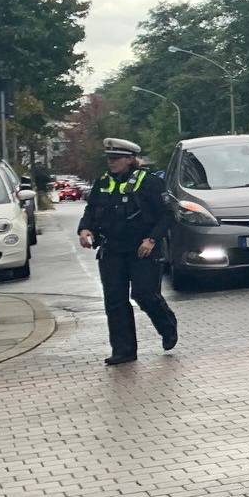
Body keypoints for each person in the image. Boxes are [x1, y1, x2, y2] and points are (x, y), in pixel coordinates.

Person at [77, 138, 178, 366]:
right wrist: (85, 229)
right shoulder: (102, 183)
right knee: (115, 300)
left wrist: (152, 240)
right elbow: (91, 210)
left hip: (142, 249)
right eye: (109, 158)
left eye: (117, 159)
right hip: (112, 249)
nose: (111, 163)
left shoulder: (149, 183)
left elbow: (167, 215)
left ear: (130, 160)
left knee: (144, 295)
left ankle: (167, 326)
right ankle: (123, 351)